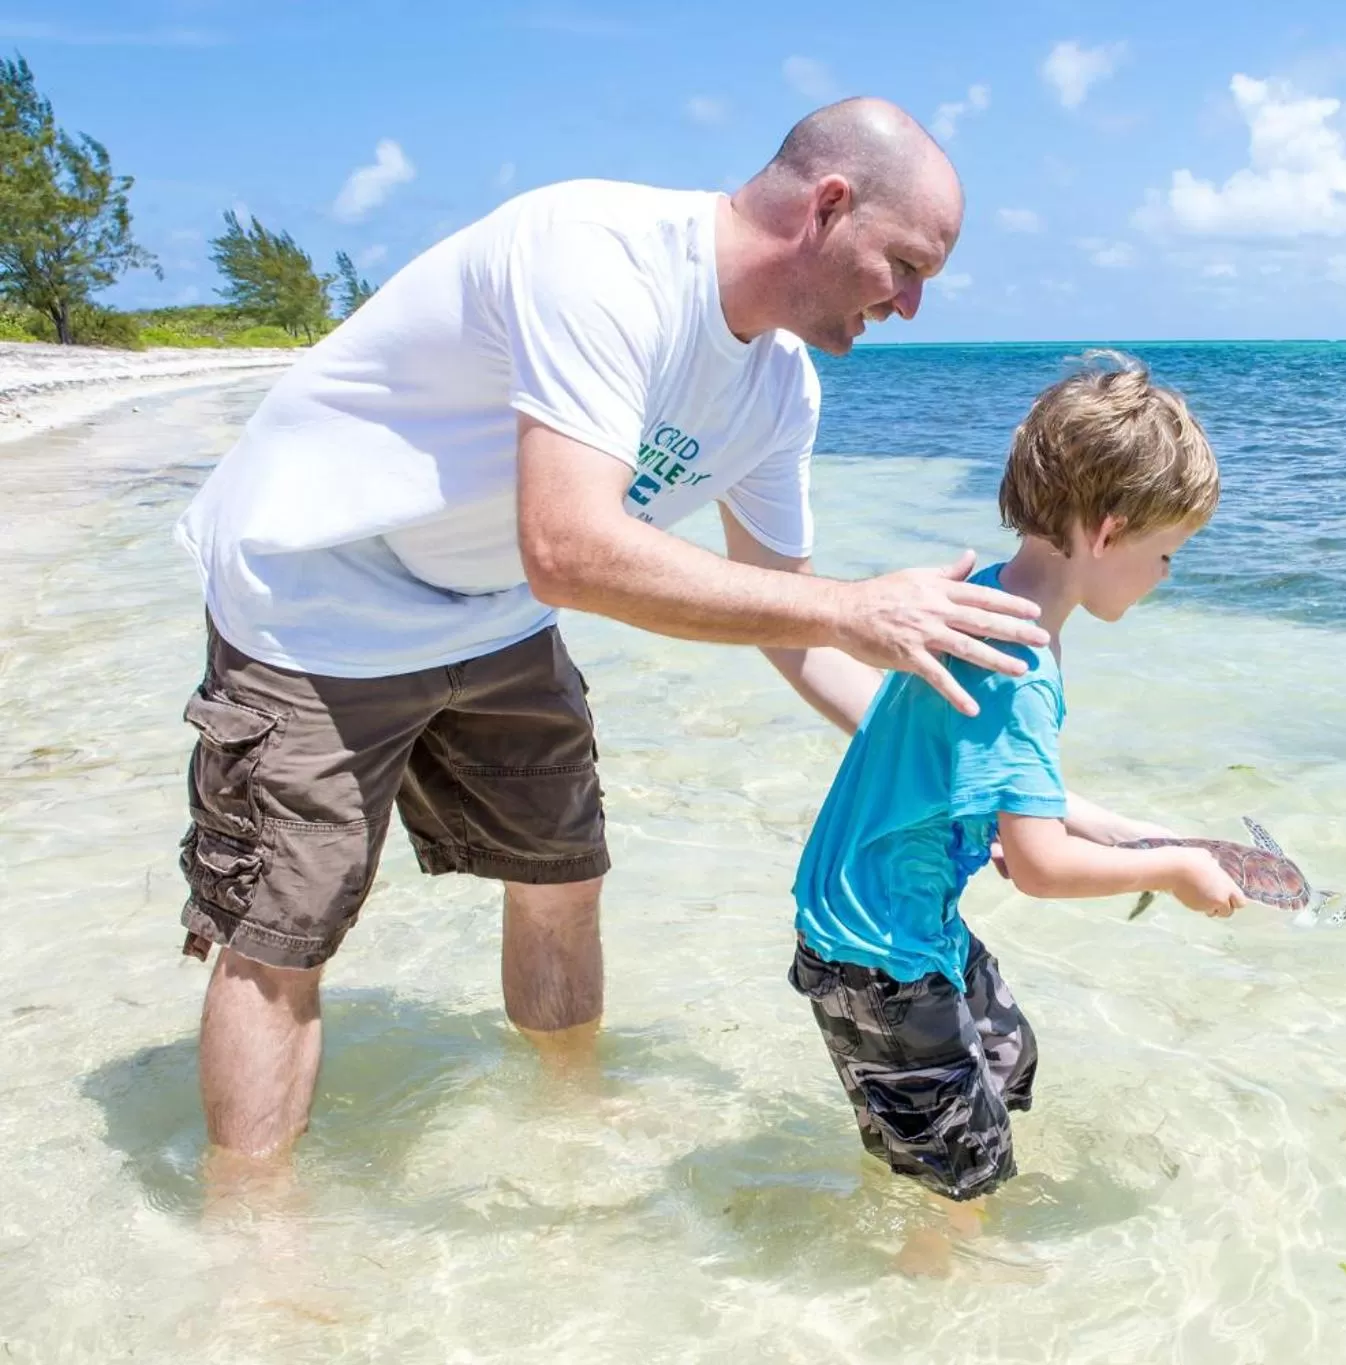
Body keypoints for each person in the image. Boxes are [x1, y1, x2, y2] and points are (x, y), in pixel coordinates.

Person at [172, 99, 1163, 1165]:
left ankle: (562, 1120)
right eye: (905, 266)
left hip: (496, 610)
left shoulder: (779, 390)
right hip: (315, 595)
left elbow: (789, 629)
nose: (914, 307)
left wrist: (1022, 791)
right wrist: (853, 602)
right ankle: (254, 1249)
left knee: (563, 876)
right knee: (285, 934)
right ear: (827, 206)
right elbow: (571, 547)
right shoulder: (597, 259)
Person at [786, 352, 1249, 1275]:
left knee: (1006, 1051)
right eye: (1167, 552)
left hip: (885, 920)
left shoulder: (991, 599)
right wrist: (1173, 869)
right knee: (970, 1175)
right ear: (1109, 529)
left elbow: (998, 784)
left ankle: (917, 1154)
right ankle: (928, 1281)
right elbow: (1036, 865)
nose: (1167, 573)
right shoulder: (1022, 663)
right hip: (879, 952)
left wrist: (1112, 827)